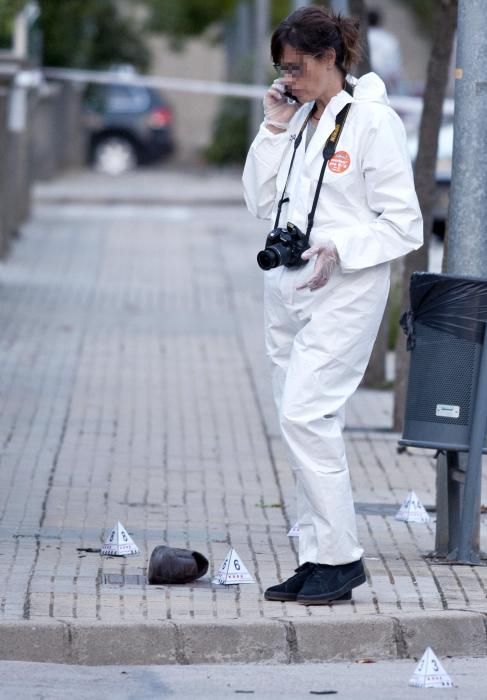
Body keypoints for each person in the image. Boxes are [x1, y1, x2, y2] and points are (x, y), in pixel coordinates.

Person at [242, 6, 422, 606]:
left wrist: (339, 246)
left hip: (344, 289)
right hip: (287, 288)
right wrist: (271, 129)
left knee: (304, 415)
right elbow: (258, 201)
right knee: (303, 426)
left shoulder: (373, 122)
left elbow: (406, 226)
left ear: (329, 59)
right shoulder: (296, 117)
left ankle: (341, 559)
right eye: (280, 69)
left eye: (295, 68)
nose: (286, 79)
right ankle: (314, 554)